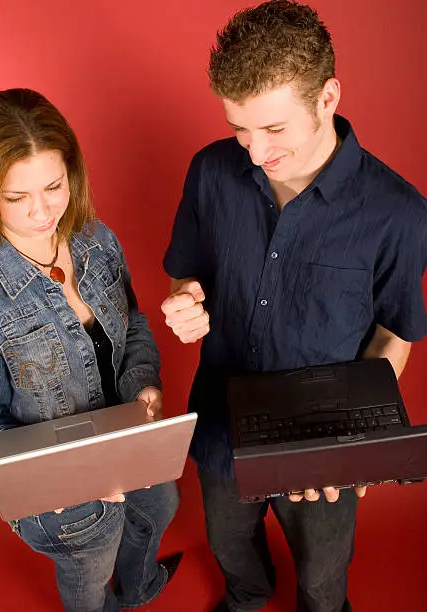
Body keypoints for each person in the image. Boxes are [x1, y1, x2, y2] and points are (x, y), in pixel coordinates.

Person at [161, 2, 427, 611]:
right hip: (222, 423)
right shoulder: (209, 171)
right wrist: (184, 299)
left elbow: (396, 333)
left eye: (274, 130)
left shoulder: (401, 214)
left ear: (329, 97)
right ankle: (250, 597)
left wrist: (354, 439)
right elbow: (188, 271)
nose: (253, 151)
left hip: (324, 440)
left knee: (323, 580)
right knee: (230, 545)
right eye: (239, 129)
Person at [0, 88, 182, 612]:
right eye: (16, 197)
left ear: (71, 173)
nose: (40, 212)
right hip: (57, 487)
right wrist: (54, 472)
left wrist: (144, 385)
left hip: (130, 441)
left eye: (54, 186)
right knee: (91, 559)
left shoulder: (98, 239)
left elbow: (135, 324)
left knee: (160, 505)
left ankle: (139, 588)